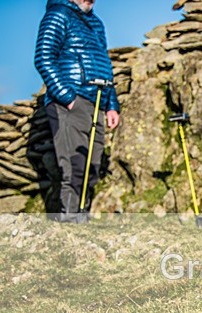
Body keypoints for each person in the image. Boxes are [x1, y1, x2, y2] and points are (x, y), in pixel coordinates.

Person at [34, 0, 120, 223]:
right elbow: (43, 57)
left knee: (92, 163)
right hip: (70, 102)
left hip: (97, 100)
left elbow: (105, 65)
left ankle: (82, 217)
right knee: (73, 164)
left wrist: (112, 105)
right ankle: (69, 220)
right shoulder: (58, 14)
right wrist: (67, 97)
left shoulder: (96, 23)